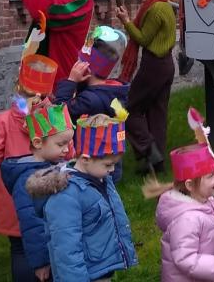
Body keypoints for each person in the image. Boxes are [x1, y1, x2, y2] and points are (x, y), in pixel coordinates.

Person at [0, 48, 59, 281]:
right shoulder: (53, 118)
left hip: (13, 200)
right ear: (48, 92)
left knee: (20, 248)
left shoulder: (4, 120)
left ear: (17, 87)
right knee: (52, 241)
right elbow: (68, 151)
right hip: (48, 193)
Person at [28, 113, 136, 282]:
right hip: (86, 274)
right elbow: (66, 250)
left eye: (115, 163)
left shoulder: (101, 178)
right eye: (108, 164)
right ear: (85, 159)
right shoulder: (66, 195)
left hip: (102, 268)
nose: (113, 170)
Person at [144, 108, 214, 282]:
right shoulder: (187, 219)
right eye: (210, 176)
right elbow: (185, 259)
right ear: (190, 185)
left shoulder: (205, 202)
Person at [1, 104, 75, 282]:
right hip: (40, 252)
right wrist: (41, 261)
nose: (66, 149)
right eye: (61, 144)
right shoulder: (28, 179)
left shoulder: (50, 165)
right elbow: (31, 222)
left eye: (69, 143)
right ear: (37, 143)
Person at [116, 0, 177, 174]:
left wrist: (125, 21)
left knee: (129, 109)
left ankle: (149, 150)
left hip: (154, 66)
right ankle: (156, 164)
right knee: (157, 113)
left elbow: (142, 39)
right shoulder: (164, 4)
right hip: (166, 64)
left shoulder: (155, 9)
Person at [55, 26, 130, 123]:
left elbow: (59, 114)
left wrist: (71, 81)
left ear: (87, 69)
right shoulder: (114, 89)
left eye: (80, 61)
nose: (76, 64)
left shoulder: (88, 100)